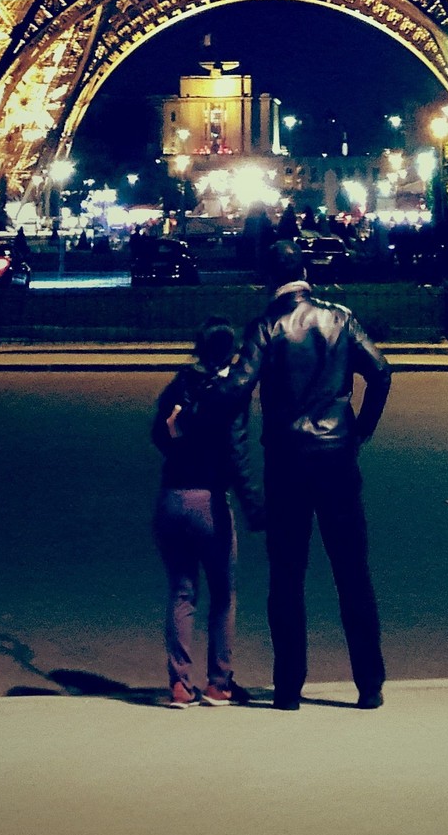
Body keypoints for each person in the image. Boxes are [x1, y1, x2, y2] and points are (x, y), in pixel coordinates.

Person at [228, 243, 391, 711]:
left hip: (287, 461)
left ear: (268, 277)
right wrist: (359, 429)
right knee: (352, 572)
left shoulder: (266, 326)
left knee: (287, 576)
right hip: (337, 458)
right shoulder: (339, 318)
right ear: (304, 272)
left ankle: (288, 689)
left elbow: (241, 385)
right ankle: (369, 685)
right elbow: (380, 372)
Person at [151, 318, 263, 707]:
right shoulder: (230, 393)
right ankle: (220, 682)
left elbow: (158, 435)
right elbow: (235, 452)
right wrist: (252, 504)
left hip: (171, 497)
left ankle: (180, 685)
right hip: (209, 502)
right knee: (223, 594)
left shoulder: (179, 385)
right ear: (231, 353)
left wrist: (180, 445)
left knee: (182, 590)